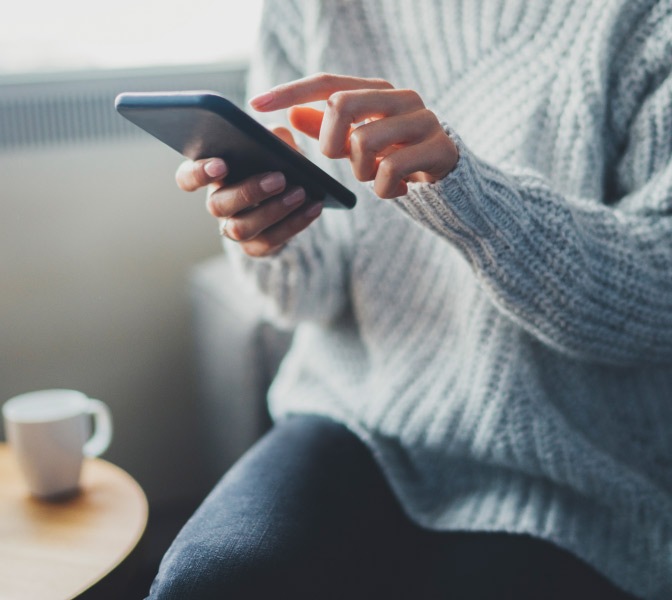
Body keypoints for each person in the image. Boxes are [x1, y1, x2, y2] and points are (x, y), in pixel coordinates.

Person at [148, 1, 672, 598]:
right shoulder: (309, 8)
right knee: (203, 583)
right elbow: (309, 298)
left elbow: (659, 298)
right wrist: (270, 237)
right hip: (361, 413)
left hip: (573, 461)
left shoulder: (644, 17)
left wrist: (469, 196)